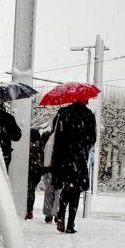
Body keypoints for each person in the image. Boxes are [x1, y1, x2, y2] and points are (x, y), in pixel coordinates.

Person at [49, 100, 97, 233]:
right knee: (76, 190)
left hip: (63, 156)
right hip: (79, 158)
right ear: (85, 100)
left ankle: (61, 215)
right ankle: (70, 224)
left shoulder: (63, 112)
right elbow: (92, 138)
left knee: (65, 188)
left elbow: (55, 133)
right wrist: (83, 145)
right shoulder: (88, 115)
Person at [25, 128, 45, 220]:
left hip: (28, 169)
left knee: (28, 189)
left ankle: (27, 209)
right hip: (37, 171)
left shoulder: (26, 146)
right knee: (31, 190)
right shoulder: (40, 146)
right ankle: (29, 210)